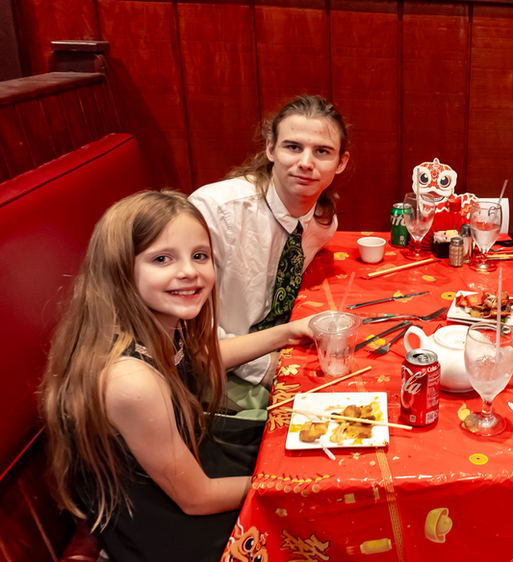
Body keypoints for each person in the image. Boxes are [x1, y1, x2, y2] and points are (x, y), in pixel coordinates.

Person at [39, 191, 317, 561]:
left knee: (300, 440)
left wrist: (288, 332)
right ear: (119, 269)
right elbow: (197, 498)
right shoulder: (130, 381)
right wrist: (299, 487)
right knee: (316, 511)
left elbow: (200, 357)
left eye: (199, 256)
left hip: (190, 458)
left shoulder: (155, 323)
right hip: (168, 521)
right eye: (162, 258)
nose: (189, 271)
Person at [189, 96, 350, 410]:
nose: (306, 162)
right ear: (270, 149)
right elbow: (188, 336)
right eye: (293, 147)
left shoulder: (322, 223)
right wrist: (265, 367)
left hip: (277, 346)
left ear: (341, 162)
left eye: (322, 151)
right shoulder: (215, 212)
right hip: (211, 374)